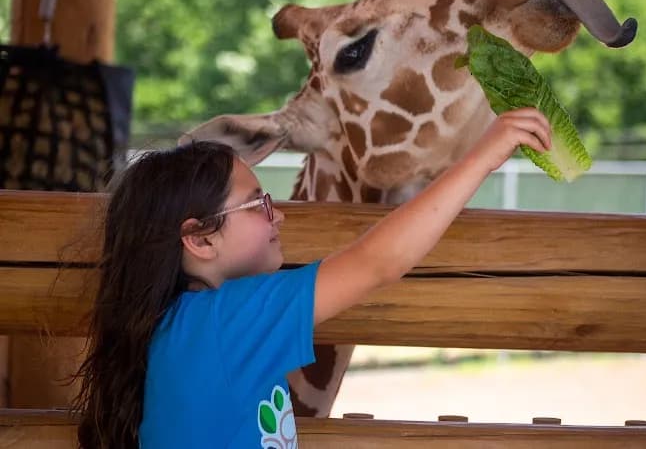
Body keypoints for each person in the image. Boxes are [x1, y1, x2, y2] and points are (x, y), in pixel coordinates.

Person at [72, 107, 551, 449]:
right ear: (199, 239)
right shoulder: (226, 322)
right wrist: (482, 156)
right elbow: (378, 262)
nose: (277, 214)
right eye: (257, 204)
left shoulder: (186, 325)